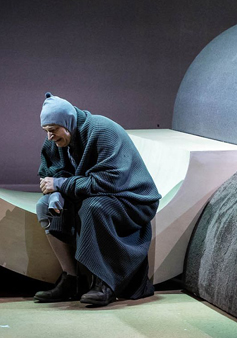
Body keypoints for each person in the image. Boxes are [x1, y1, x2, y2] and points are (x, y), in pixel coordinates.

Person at [33, 93, 161, 307]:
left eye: (53, 130)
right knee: (44, 207)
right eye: (46, 131)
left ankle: (104, 282)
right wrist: (55, 194)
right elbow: (51, 172)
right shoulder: (56, 141)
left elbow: (108, 182)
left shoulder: (102, 131)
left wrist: (61, 185)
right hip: (96, 192)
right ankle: (71, 279)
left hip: (132, 199)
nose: (50, 137)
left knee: (93, 207)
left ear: (68, 122)